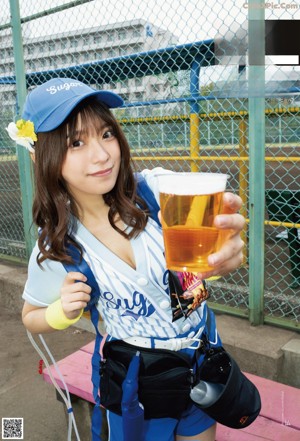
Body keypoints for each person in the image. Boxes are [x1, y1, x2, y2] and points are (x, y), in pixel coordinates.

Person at [8, 77, 245, 441]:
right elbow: (30, 317)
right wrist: (61, 313)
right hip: (138, 385)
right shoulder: (56, 245)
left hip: (202, 364)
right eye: (76, 142)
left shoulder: (159, 193)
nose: (102, 154)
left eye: (106, 134)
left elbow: (199, 271)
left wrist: (221, 255)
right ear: (41, 155)